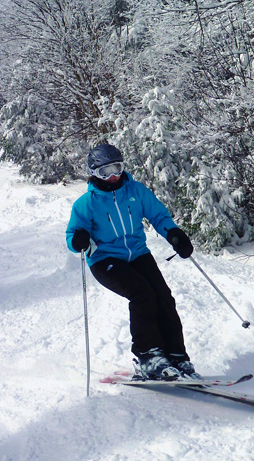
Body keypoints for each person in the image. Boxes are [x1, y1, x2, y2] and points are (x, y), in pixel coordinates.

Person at [65, 143, 199, 380]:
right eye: (105, 172)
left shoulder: (136, 191)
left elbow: (158, 215)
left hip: (137, 253)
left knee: (163, 297)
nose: (113, 176)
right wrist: (79, 239)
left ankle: (176, 356)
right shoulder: (86, 203)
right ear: (94, 172)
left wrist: (174, 234)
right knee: (142, 294)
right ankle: (148, 357)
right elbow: (72, 236)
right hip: (105, 259)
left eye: (117, 168)